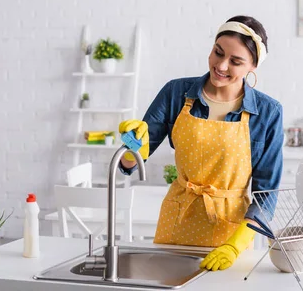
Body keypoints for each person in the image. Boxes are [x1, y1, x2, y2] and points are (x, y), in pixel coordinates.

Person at [118, 15, 283, 271]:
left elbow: (266, 195)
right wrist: (131, 144)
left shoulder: (268, 112)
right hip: (177, 225)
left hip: (229, 234)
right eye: (218, 52)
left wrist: (234, 246)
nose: (222, 65)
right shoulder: (175, 93)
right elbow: (128, 165)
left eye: (236, 61)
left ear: (253, 67)